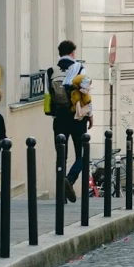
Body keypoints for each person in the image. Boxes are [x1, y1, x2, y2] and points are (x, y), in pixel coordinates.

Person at [47, 39, 92, 202]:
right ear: (73, 53)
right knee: (83, 154)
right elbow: (85, 93)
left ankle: (61, 195)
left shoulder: (51, 71)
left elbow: (49, 96)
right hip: (77, 117)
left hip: (59, 118)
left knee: (61, 156)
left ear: (59, 53)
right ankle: (70, 179)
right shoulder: (79, 68)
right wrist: (90, 115)